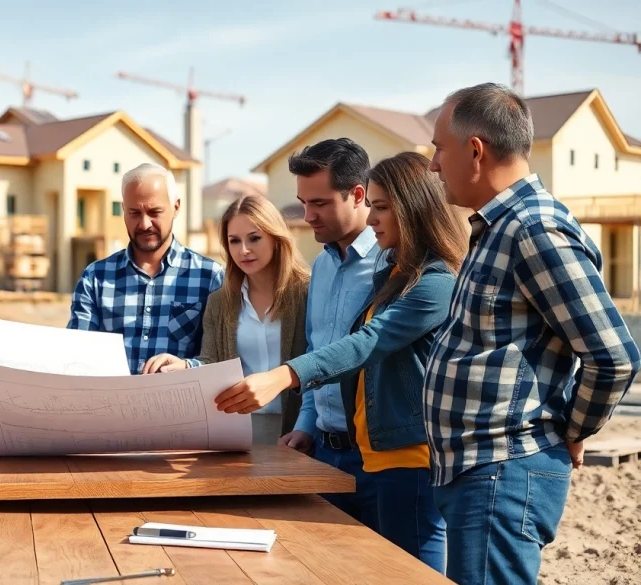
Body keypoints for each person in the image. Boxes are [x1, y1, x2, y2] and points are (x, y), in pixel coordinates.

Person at [424, 82, 641, 585]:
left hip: (502, 471)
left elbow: (614, 356)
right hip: (483, 471)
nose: (433, 164)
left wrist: (573, 428)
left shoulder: (532, 229)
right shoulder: (499, 226)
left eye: (439, 148)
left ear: (474, 151)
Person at [219, 152, 466, 573]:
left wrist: (283, 376)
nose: (372, 217)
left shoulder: (435, 283)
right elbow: (329, 345)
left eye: (382, 207)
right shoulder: (391, 272)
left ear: (413, 208)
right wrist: (307, 425)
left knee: (409, 574)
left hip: (408, 460)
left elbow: (364, 344)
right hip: (358, 453)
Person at [143, 195, 310, 443]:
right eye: (234, 241)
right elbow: (211, 360)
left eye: (254, 238)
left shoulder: (307, 292)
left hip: (298, 428)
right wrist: (184, 366)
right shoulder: (220, 302)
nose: (243, 250)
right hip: (239, 431)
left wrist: (308, 427)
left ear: (276, 239)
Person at [67, 163, 224, 374]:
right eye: (134, 213)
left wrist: (187, 367)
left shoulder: (210, 278)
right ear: (123, 210)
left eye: (154, 212)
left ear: (176, 207)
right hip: (111, 404)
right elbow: (76, 355)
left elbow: (223, 359)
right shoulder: (95, 279)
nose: (144, 224)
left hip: (179, 405)